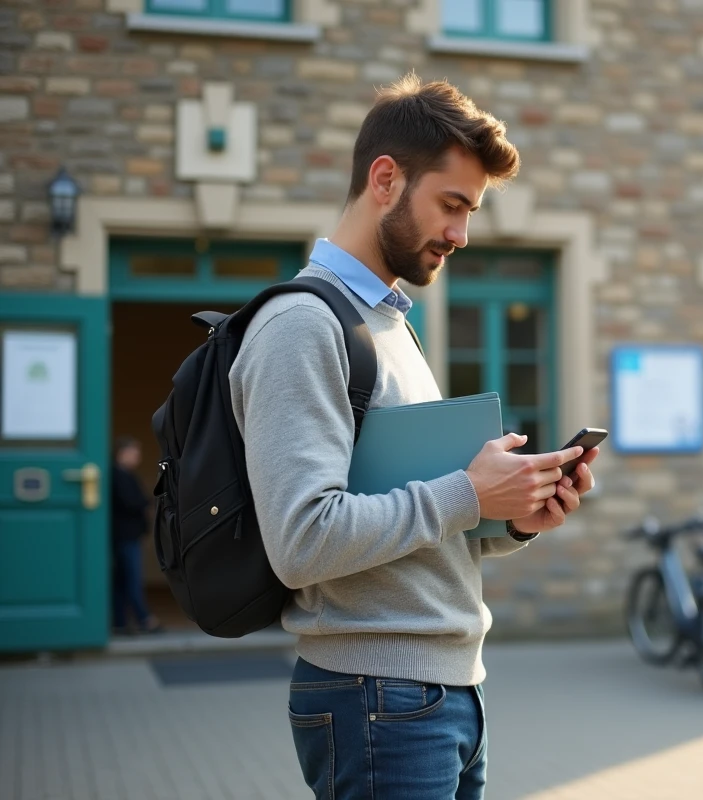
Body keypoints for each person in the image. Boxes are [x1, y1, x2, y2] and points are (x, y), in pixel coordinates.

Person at [228, 74, 598, 800]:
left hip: (440, 692)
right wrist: (466, 492)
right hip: (378, 697)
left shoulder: (388, 323)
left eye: (471, 212)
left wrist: (510, 518)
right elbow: (303, 541)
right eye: (452, 206)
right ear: (387, 179)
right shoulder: (302, 326)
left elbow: (410, 518)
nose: (461, 234)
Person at [110, 436, 164, 635]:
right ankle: (144, 619)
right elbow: (132, 502)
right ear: (122, 453)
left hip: (128, 535)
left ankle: (120, 623)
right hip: (124, 536)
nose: (138, 456)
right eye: (134, 452)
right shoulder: (117, 475)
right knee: (131, 579)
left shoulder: (125, 475)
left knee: (122, 580)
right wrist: (145, 506)